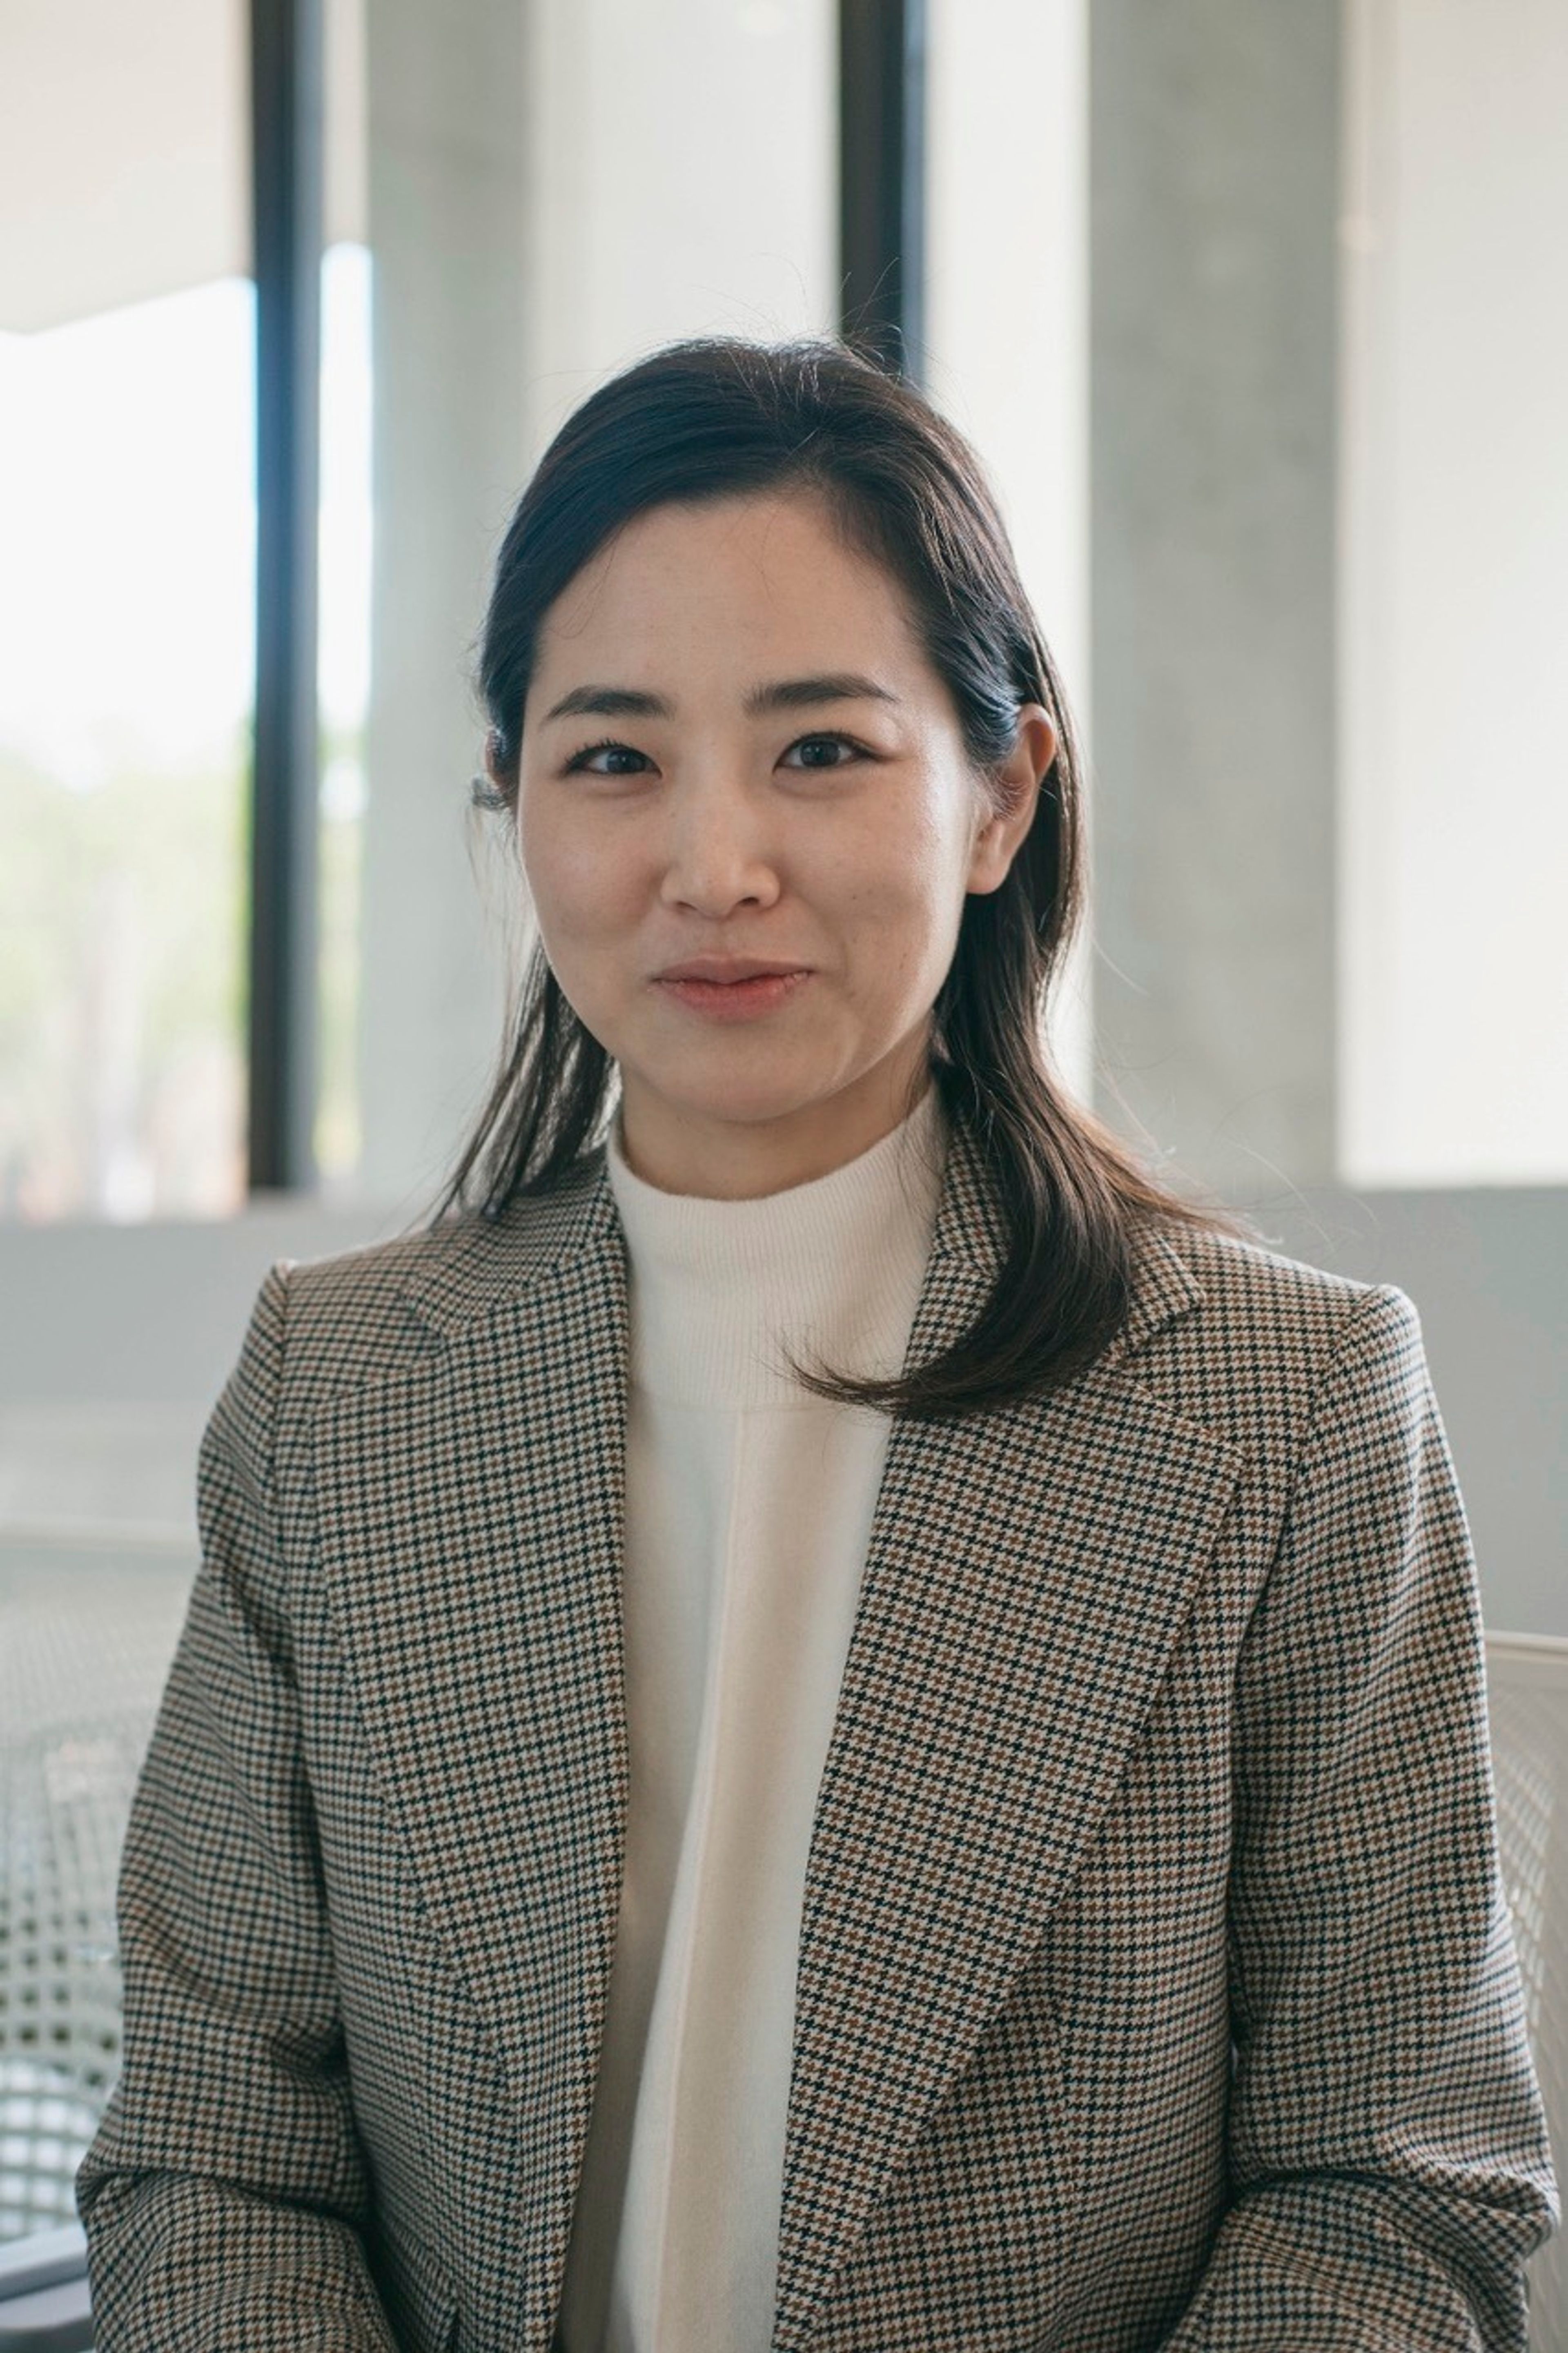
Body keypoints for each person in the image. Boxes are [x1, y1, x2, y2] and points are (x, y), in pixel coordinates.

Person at [78, 334, 1556, 2352]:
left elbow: (1395, 2183)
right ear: (514, 800)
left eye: (822, 748)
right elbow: (214, 2149)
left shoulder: (1280, 1405)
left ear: (1000, 792)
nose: (714, 865)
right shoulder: (337, 1392)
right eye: (614, 757)